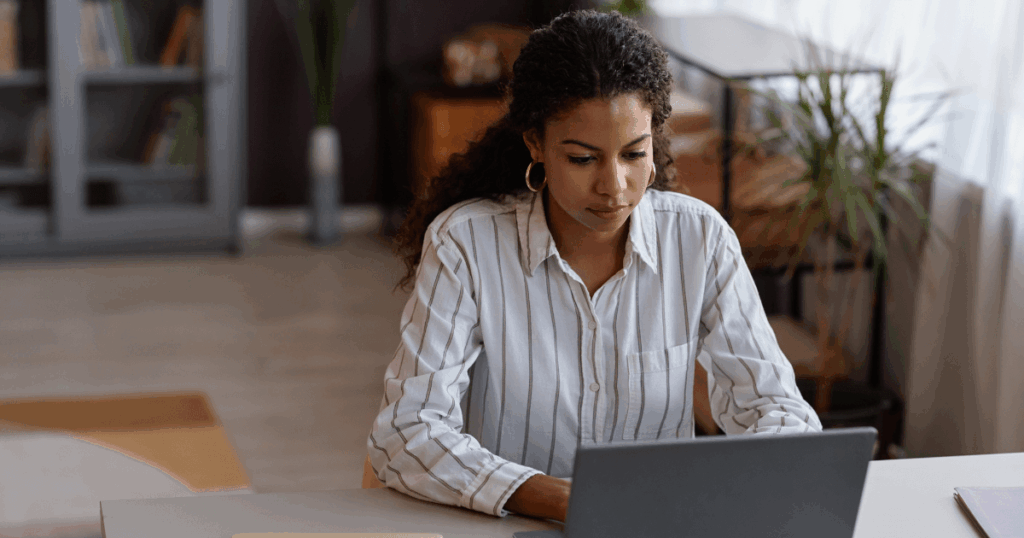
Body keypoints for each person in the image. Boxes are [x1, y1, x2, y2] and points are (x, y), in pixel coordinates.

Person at [368, 9, 822, 523]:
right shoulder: (467, 244)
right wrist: (560, 500)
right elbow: (405, 431)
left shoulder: (701, 238)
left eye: (634, 154)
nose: (615, 186)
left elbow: (779, 411)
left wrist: (735, 482)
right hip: (516, 527)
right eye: (583, 159)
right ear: (536, 144)